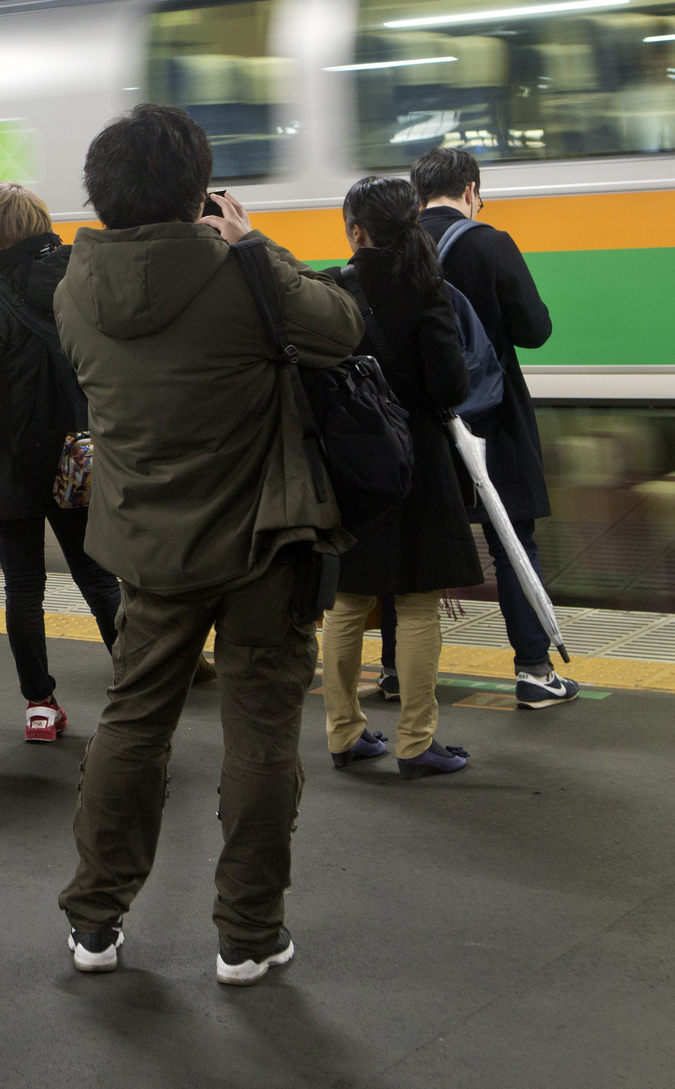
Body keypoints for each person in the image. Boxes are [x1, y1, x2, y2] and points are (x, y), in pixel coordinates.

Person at [52, 104, 362, 985]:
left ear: (101, 195)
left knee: (132, 721)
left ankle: (94, 922)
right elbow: (340, 328)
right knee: (259, 731)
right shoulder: (240, 272)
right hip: (263, 540)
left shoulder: (72, 291)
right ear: (196, 190)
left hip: (147, 545)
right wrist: (254, 245)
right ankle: (248, 935)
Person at [321, 177, 481, 779]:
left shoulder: (334, 289)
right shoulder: (426, 289)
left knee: (345, 603)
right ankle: (416, 742)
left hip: (355, 464)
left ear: (356, 230)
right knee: (416, 605)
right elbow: (450, 387)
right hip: (418, 461)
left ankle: (344, 734)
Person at [412, 146, 580, 710]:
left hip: (423, 422)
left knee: (414, 544)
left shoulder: (396, 248)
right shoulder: (489, 242)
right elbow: (534, 329)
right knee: (513, 542)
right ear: (471, 191)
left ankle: (394, 671)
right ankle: (534, 670)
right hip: (491, 418)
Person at [0, 183, 123, 743]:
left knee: (23, 590)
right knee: (100, 579)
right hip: (79, 460)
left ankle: (39, 706)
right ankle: (138, 689)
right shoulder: (81, 283)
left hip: (12, 468)